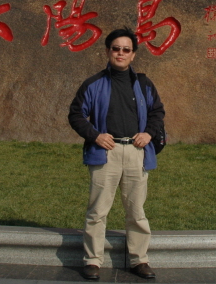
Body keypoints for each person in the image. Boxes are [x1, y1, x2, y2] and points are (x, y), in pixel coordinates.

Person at [68, 28, 164, 280]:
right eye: (116, 49)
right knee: (97, 211)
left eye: (126, 50)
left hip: (136, 151)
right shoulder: (94, 83)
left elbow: (157, 112)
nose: (120, 53)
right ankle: (93, 260)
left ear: (133, 55)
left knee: (136, 211)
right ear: (108, 51)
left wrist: (149, 133)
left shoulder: (143, 84)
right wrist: (95, 135)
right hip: (105, 153)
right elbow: (76, 114)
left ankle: (139, 260)